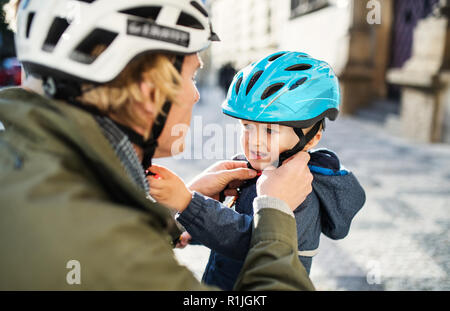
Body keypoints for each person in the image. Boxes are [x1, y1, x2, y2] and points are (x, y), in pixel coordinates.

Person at [0, 0, 315, 290]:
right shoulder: (96, 240)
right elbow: (114, 260)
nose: (195, 95)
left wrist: (173, 211)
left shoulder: (30, 167)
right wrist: (276, 212)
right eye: (192, 76)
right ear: (149, 92)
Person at [150, 51, 366, 290]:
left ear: (313, 137)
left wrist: (189, 203)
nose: (254, 141)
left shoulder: (298, 189)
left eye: (270, 131)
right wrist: (195, 231)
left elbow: (251, 240)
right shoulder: (257, 172)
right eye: (247, 127)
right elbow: (234, 221)